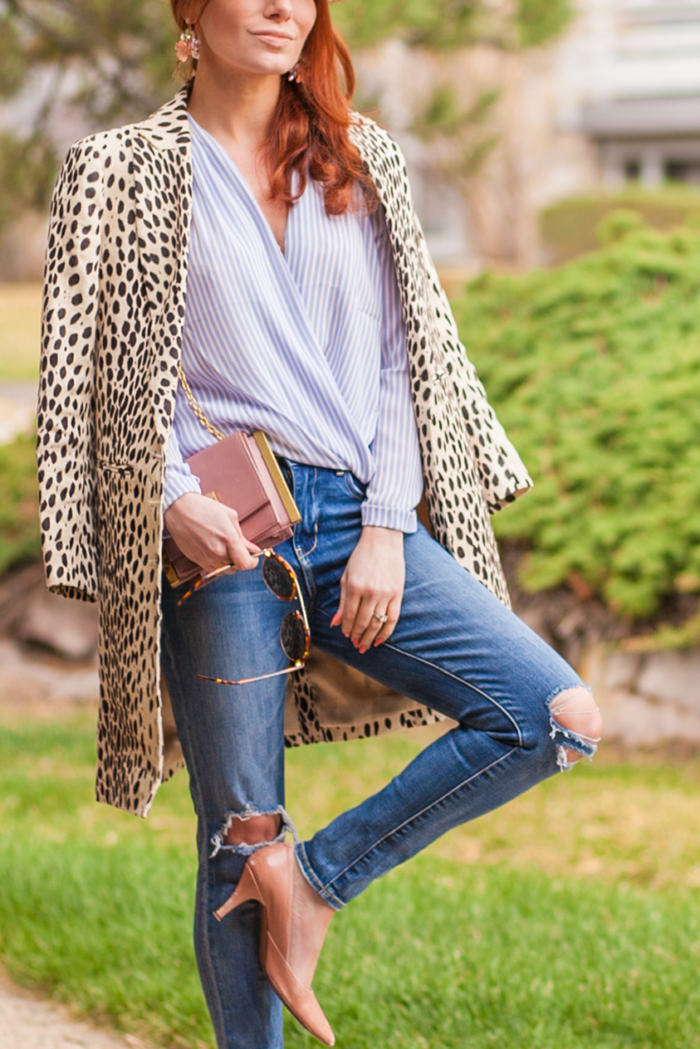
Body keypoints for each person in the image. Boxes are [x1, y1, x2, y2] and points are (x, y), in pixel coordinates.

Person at [37, 1, 603, 1047]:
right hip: (219, 532)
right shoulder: (117, 168)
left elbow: (403, 355)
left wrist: (388, 525)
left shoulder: (358, 153)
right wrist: (171, 500)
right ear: (191, 17)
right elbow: (107, 375)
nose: (278, 7)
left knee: (552, 713)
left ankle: (316, 878)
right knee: (237, 835)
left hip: (353, 512)